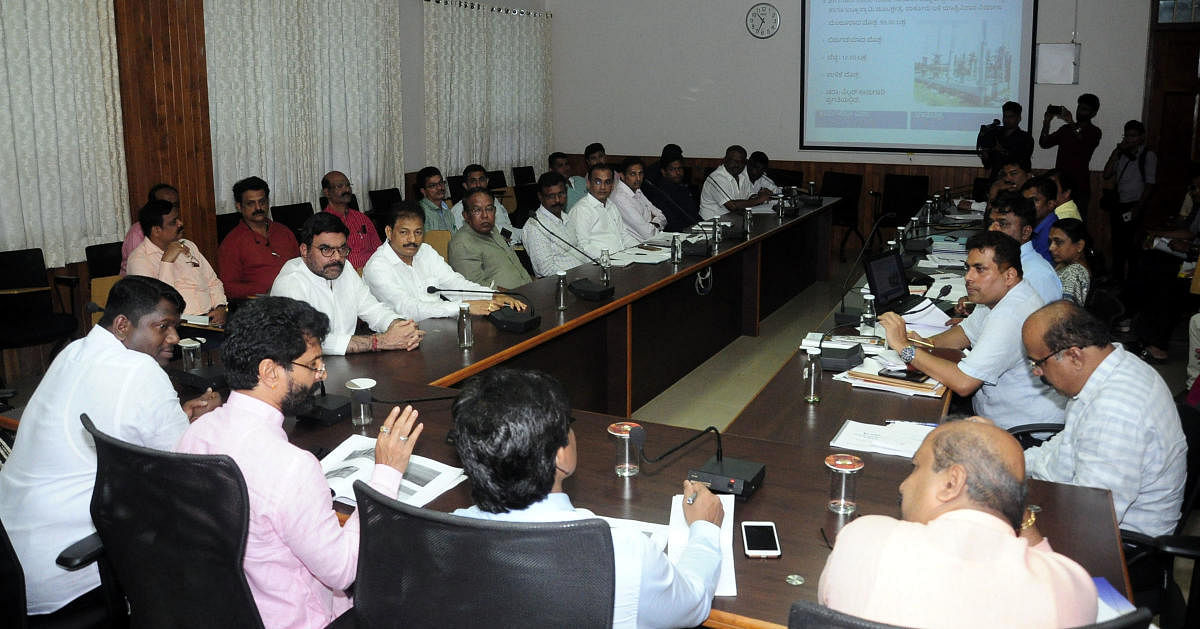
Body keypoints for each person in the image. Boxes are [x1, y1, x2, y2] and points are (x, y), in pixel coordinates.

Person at [176, 296, 423, 629]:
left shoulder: (197, 432)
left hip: (224, 609)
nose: (321, 375)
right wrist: (387, 472)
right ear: (269, 371)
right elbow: (342, 571)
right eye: (313, 364)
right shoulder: (293, 467)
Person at [0, 276, 218, 616]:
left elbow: (123, 427)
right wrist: (209, 423)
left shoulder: (73, 351)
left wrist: (178, 418)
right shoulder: (140, 370)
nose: (174, 338)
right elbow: (186, 470)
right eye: (163, 327)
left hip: (13, 564)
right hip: (71, 568)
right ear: (121, 325)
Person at [450, 368, 724, 629]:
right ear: (560, 456)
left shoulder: (446, 534)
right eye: (568, 424)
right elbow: (692, 604)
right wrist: (706, 529)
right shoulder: (621, 552)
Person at [819, 421, 1097, 628]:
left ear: (952, 483)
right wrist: (1010, 496)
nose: (904, 485)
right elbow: (1055, 569)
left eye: (917, 467)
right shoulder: (1073, 586)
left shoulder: (865, 539)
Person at [1021, 301, 1187, 537]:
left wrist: (1022, 518)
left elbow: (1091, 522)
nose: (1037, 372)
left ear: (1074, 356)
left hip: (1117, 543)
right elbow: (1067, 444)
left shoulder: (1114, 412)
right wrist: (1011, 462)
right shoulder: (1109, 369)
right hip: (1078, 502)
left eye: (1038, 363)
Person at [878, 231, 1065, 430]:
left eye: (980, 269)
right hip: (992, 412)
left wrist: (904, 348)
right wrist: (925, 343)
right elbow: (964, 334)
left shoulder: (1011, 315)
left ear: (1009, 275)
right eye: (968, 268)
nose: (968, 277)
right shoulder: (1001, 294)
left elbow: (963, 383)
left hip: (1019, 430)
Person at [270, 212, 422, 356]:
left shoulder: (344, 268)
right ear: (304, 250)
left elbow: (372, 309)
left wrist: (400, 327)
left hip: (345, 363)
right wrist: (378, 342)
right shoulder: (290, 282)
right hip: (303, 371)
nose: (336, 257)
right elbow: (309, 340)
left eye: (342, 249)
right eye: (326, 249)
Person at [363, 200, 525, 322]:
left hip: (439, 328)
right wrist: (463, 307)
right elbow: (408, 309)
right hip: (403, 339)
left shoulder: (425, 252)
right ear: (389, 232)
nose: (412, 239)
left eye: (418, 232)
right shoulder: (378, 267)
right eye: (404, 232)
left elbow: (455, 284)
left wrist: (493, 296)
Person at [127, 198, 229, 325]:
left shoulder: (188, 245)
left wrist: (221, 307)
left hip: (211, 320)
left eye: (178, 219)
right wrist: (167, 261)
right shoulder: (139, 260)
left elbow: (213, 282)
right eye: (173, 222)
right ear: (156, 230)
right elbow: (159, 304)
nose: (180, 223)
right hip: (178, 326)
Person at [218, 176, 300, 299]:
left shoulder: (284, 232)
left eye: (262, 202)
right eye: (251, 204)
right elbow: (228, 287)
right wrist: (266, 290)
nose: (258, 208)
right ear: (239, 207)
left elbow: (300, 266)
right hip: (259, 305)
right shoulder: (232, 242)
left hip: (295, 298)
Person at [1102, 120, 1158, 281]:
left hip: (1135, 205)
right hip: (1119, 205)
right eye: (1126, 135)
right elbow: (1106, 174)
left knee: (1132, 247)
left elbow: (1150, 184)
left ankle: (1133, 284)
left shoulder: (1148, 155)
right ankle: (1117, 280)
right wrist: (1117, 151)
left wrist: (1138, 208)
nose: (1129, 139)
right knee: (1117, 245)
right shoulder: (1122, 154)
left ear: (1142, 137)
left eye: (1133, 136)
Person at [447, 188, 533, 289]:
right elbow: (475, 290)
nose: (485, 215)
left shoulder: (492, 229)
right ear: (466, 215)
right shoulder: (461, 244)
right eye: (477, 210)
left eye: (489, 209)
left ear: (495, 211)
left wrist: (531, 283)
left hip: (527, 291)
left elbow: (515, 264)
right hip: (505, 301)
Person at [987, 192, 1063, 304]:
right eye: (991, 222)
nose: (992, 229)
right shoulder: (1004, 260)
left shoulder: (1037, 275)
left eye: (1003, 224)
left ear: (1026, 232)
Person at [1039, 94, 1102, 214]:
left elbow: (1082, 141)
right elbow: (1044, 143)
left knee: (1077, 225)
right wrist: (1046, 122)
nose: (1079, 111)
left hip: (1079, 186)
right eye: (1079, 108)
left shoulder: (1094, 132)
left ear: (1093, 113)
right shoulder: (1065, 129)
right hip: (1060, 185)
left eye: (1085, 109)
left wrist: (1071, 121)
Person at [565, 162, 641, 258]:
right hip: (600, 266)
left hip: (623, 260)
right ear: (588, 184)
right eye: (598, 182)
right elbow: (582, 247)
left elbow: (624, 236)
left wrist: (641, 251)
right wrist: (609, 259)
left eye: (607, 182)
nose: (603, 187)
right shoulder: (581, 210)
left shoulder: (611, 206)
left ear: (612, 186)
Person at [523, 171, 590, 276]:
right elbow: (546, 270)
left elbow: (581, 250)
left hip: (581, 275)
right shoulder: (535, 226)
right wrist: (579, 270)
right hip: (556, 284)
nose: (557, 200)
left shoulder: (566, 217)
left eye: (561, 193)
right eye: (551, 196)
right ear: (540, 197)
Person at [321, 170, 381, 270]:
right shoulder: (322, 223)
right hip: (342, 276)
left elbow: (378, 249)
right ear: (327, 192)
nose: (347, 190)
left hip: (372, 271)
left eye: (348, 185)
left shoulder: (362, 218)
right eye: (340, 186)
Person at [450, 165, 522, 243]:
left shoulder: (495, 202)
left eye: (481, 180)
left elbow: (506, 227)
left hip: (508, 245)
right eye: (473, 181)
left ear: (487, 182)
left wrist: (523, 234)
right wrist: (496, 240)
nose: (478, 185)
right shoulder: (459, 210)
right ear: (465, 185)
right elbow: (465, 240)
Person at [699, 145, 772, 219]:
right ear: (725, 160)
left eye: (741, 162)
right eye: (734, 161)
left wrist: (760, 195)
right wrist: (759, 199)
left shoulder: (742, 176)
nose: (738, 165)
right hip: (711, 224)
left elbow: (749, 197)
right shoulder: (716, 178)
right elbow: (732, 206)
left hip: (732, 221)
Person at [120, 183, 178, 275]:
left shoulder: (175, 229)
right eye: (164, 204)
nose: (171, 209)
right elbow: (140, 271)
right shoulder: (137, 233)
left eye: (175, 205)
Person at [1022, 176, 1081, 263]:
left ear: (1051, 204)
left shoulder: (1051, 232)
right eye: (1024, 200)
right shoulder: (1035, 225)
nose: (1027, 205)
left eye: (1034, 200)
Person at [610, 156, 666, 242]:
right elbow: (648, 234)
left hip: (650, 244)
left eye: (640, 173)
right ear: (622, 176)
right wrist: (653, 221)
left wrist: (654, 223)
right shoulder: (619, 197)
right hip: (635, 248)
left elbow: (662, 217)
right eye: (633, 174)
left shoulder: (637, 190)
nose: (638, 178)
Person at [642, 151, 702, 232]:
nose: (678, 172)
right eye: (673, 169)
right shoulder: (660, 193)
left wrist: (704, 226)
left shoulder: (683, 189)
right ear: (664, 172)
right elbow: (670, 222)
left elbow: (693, 215)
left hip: (694, 230)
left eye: (680, 168)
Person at [976, 101, 1035, 176]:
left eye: (1011, 117)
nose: (1007, 120)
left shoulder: (1026, 138)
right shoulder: (995, 134)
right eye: (1005, 116)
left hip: (1016, 180)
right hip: (996, 179)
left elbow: (1022, 161)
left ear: (1019, 118)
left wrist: (1002, 150)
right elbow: (988, 165)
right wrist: (985, 155)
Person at [1048, 218, 1092, 306]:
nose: (1051, 248)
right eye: (1050, 241)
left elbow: (1064, 313)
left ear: (1079, 246)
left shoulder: (1075, 272)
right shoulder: (1066, 265)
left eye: (1058, 242)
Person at [415, 166, 456, 232]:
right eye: (433, 185)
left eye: (441, 182)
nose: (439, 187)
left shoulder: (446, 208)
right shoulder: (420, 212)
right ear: (423, 191)